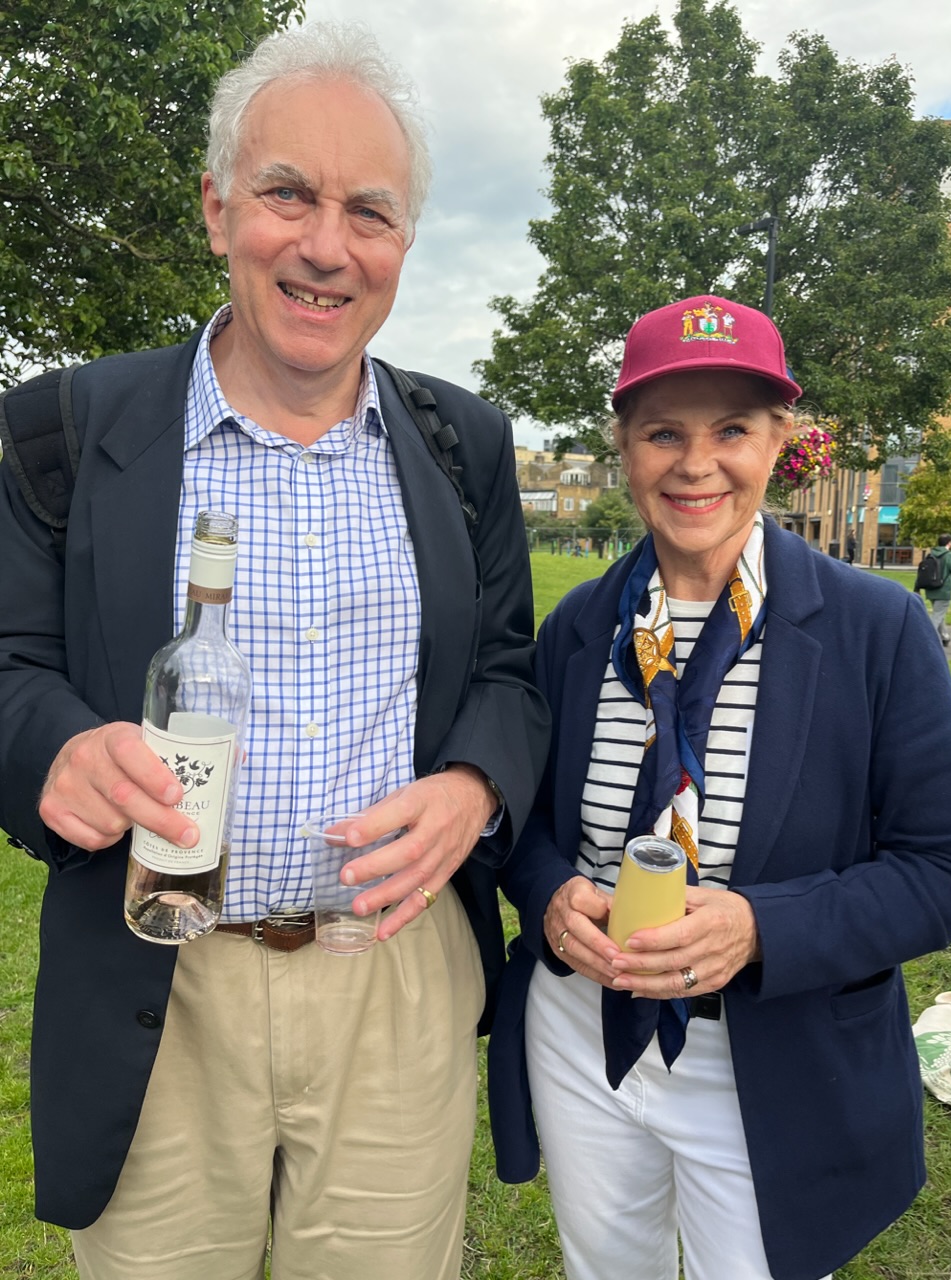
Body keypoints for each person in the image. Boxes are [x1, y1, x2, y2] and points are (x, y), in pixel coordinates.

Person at [0, 22, 549, 1280]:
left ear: (404, 246)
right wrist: (53, 746)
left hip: (391, 983)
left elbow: (511, 672)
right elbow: (7, 663)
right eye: (286, 192)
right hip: (160, 982)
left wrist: (472, 788)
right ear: (216, 208)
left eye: (370, 211)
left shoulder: (465, 447)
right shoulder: (63, 433)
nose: (324, 245)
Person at [487, 294, 951, 1280]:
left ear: (779, 441)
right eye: (664, 431)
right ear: (624, 446)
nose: (696, 464)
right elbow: (521, 824)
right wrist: (548, 894)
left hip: (771, 1053)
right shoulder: (577, 627)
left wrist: (758, 926)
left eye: (731, 429)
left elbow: (940, 868)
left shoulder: (880, 629)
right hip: (584, 1032)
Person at [915, 534, 951, 646]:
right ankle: (926, 640)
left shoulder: (930, 554)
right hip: (943, 591)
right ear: (949, 543)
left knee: (939, 613)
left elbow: (922, 572)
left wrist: (917, 588)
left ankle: (945, 637)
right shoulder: (950, 556)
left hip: (930, 590)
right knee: (937, 616)